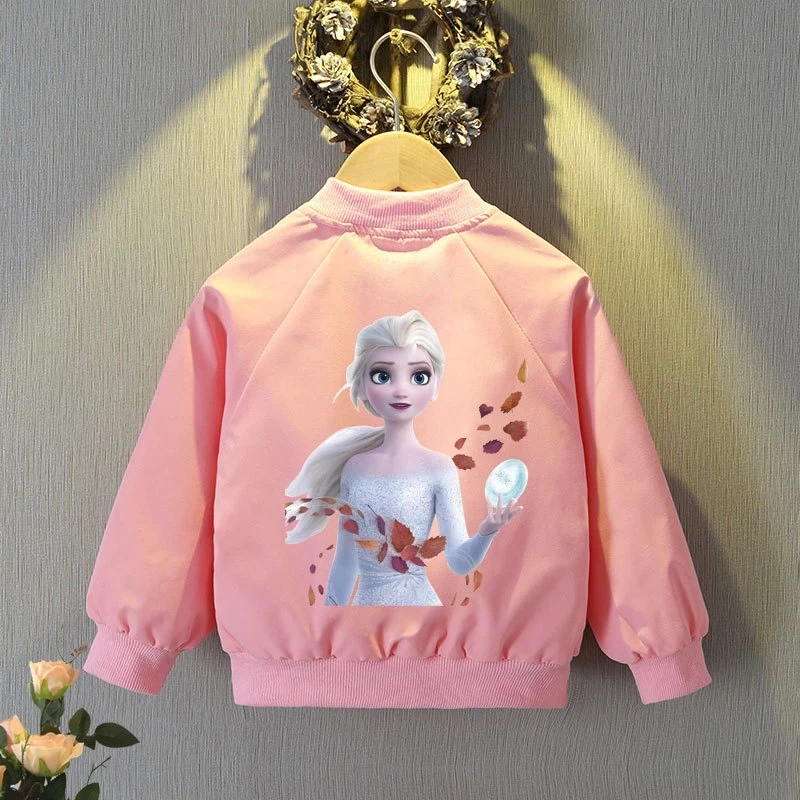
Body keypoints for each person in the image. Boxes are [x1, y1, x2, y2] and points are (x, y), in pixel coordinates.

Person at [284, 309, 522, 606]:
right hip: (367, 615)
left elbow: (458, 562)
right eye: (382, 376)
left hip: (422, 612)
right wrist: (331, 623)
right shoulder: (355, 469)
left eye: (418, 376)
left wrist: (487, 532)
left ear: (435, 386)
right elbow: (345, 563)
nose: (400, 390)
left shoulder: (439, 468)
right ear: (361, 385)